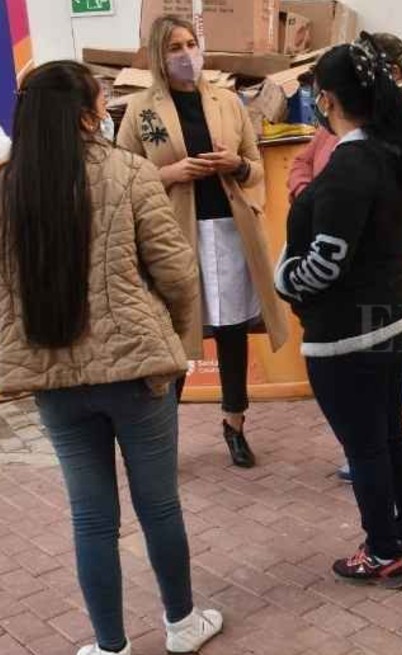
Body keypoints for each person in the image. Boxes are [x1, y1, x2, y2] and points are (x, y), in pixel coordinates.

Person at [0, 60, 222, 655]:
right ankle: (181, 625)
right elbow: (177, 271)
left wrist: (23, 333)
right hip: (136, 375)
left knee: (92, 519)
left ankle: (109, 646)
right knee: (159, 505)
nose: (106, 110)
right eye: (101, 102)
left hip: (54, 383)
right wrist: (170, 332)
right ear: (84, 115)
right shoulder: (129, 172)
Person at [276, 43, 402, 588]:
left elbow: (327, 260)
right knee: (389, 430)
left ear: (325, 98)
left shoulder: (351, 164)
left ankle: (382, 549)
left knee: (365, 442)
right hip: (393, 311)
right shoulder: (394, 148)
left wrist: (285, 281)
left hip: (351, 331)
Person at [288, 32, 402, 492]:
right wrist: (314, 199)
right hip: (359, 271)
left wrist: (339, 203)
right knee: (377, 374)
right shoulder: (336, 128)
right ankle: (376, 458)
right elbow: (301, 166)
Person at [118, 14, 290, 469]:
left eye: (191, 43)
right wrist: (170, 174)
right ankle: (162, 436)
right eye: (175, 47)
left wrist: (234, 163)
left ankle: (234, 424)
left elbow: (255, 167)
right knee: (174, 335)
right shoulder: (140, 109)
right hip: (172, 234)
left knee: (232, 331)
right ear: (159, 54)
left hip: (230, 230)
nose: (186, 54)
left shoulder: (228, 102)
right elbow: (121, 179)